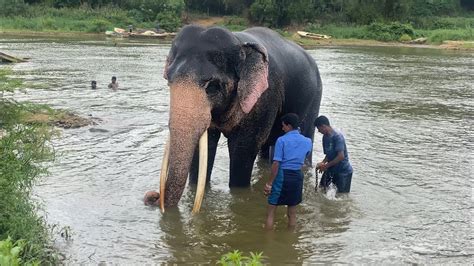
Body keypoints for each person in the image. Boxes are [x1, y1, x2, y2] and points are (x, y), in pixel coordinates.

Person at [264, 113, 312, 230]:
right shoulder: (308, 141)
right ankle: (290, 240)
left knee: (271, 212)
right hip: (297, 177)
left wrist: (269, 183)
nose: (282, 128)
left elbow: (276, 163)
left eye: (284, 125)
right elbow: (305, 158)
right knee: (292, 213)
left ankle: (268, 241)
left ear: (289, 126)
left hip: (283, 175)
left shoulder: (282, 140)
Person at [314, 115, 353, 193]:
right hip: (331, 168)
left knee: (341, 197)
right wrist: (323, 162)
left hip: (343, 171)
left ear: (323, 126)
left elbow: (341, 156)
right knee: (321, 189)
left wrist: (325, 166)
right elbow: (329, 154)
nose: (318, 131)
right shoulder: (325, 137)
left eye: (319, 129)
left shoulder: (338, 137)